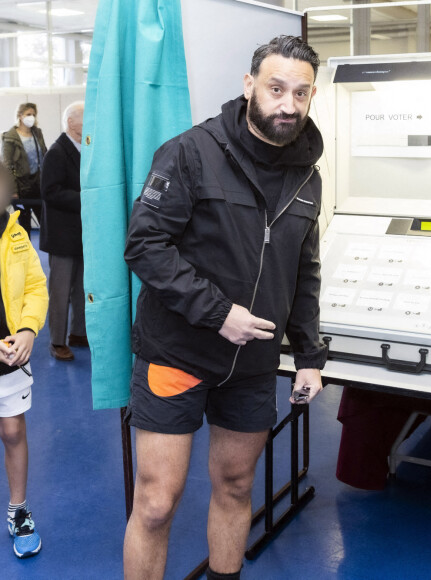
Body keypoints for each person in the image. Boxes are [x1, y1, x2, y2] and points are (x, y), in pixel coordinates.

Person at [123, 36, 327, 580]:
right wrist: (218, 312)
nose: (288, 104)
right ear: (249, 85)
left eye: (301, 94)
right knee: (157, 503)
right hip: (177, 353)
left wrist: (309, 355)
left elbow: (304, 271)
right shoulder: (190, 152)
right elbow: (144, 245)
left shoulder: (308, 176)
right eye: (276, 88)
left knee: (237, 487)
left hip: (253, 366)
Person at [0, 161, 49, 558]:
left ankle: (18, 511)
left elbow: (35, 285)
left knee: (13, 432)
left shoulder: (16, 233)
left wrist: (30, 328)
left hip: (9, 358)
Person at [40, 101, 87, 362]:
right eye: (85, 117)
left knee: (81, 288)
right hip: (61, 238)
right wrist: (86, 198)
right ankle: (57, 341)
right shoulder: (57, 152)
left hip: (80, 235)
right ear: (71, 122)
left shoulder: (83, 149)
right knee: (59, 292)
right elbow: (50, 192)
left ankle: (78, 333)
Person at [1, 103, 47, 236]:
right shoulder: (10, 137)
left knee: (44, 222)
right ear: (20, 116)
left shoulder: (37, 133)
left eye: (33, 114)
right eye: (28, 114)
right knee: (25, 224)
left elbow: (44, 154)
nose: (31, 117)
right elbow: (7, 165)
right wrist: (13, 191)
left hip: (38, 185)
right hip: (21, 187)